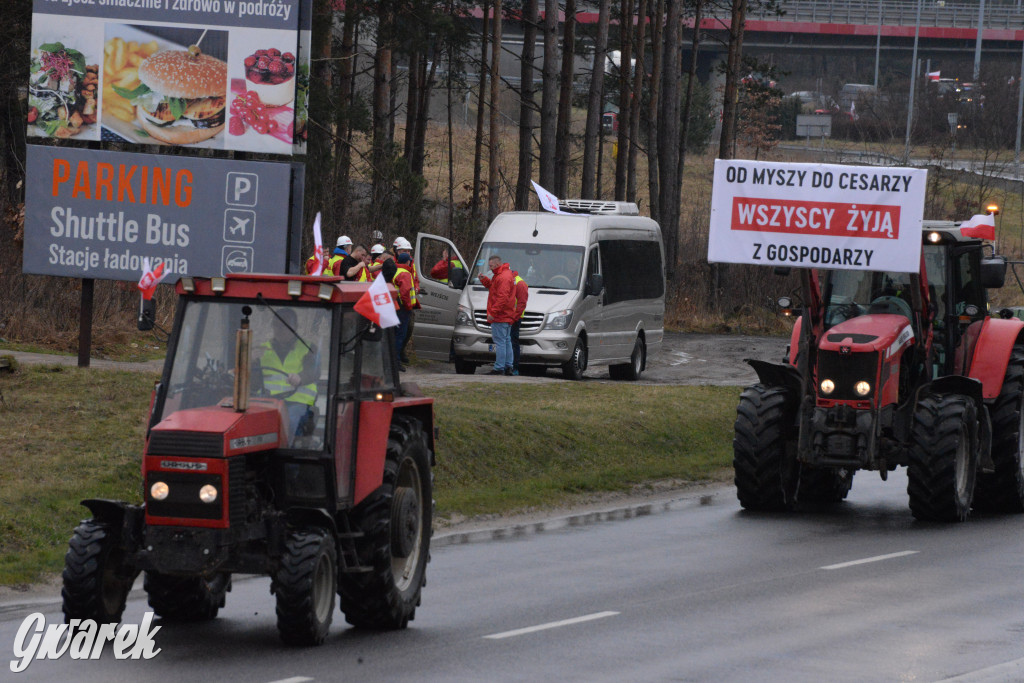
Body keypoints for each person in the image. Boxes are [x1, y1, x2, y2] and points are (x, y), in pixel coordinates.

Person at [255, 309, 319, 442]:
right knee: (253, 421)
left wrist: (300, 377)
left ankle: (284, 451)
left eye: (285, 325)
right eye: (276, 325)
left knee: (288, 421)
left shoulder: (308, 348)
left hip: (298, 401)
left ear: (295, 327)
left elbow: (314, 371)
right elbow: (253, 380)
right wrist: (248, 362)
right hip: (268, 400)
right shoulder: (262, 350)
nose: (279, 329)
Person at [478, 254, 516, 375]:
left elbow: (502, 298)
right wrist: (484, 280)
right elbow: (494, 288)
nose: (490, 268)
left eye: (491, 266)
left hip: (501, 315)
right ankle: (508, 366)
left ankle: (499, 368)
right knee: (506, 341)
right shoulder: (503, 274)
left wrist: (493, 312)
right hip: (507, 314)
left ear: (497, 264)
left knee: (500, 342)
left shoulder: (502, 276)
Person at [393, 236, 419, 363]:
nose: (408, 253)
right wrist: (408, 306)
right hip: (403, 306)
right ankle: (396, 359)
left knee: (402, 332)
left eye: (409, 251)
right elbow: (404, 292)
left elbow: (415, 280)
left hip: (400, 305)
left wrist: (416, 287)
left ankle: (397, 356)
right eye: (405, 251)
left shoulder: (402, 268)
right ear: (398, 251)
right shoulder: (403, 271)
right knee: (400, 334)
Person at [510, 270, 528, 375]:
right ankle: (510, 366)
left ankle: (514, 367)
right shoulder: (511, 280)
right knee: (509, 341)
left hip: (515, 317)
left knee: (513, 342)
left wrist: (515, 317)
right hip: (508, 317)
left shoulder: (520, 283)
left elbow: (521, 303)